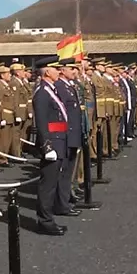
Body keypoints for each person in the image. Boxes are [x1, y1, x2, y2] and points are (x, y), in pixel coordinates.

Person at [30, 55, 68, 235]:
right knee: (47, 185)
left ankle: (48, 218)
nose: (59, 72)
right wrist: (47, 146)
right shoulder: (42, 92)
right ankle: (45, 221)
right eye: (56, 69)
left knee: (52, 183)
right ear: (47, 72)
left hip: (59, 139)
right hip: (52, 142)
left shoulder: (50, 89)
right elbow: (42, 121)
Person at [56, 58, 84, 212]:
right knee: (64, 172)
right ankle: (62, 204)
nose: (75, 71)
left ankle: (66, 200)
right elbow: (60, 115)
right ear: (62, 70)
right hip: (66, 135)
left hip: (72, 134)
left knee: (68, 172)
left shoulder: (68, 86)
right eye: (71, 68)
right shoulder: (60, 87)